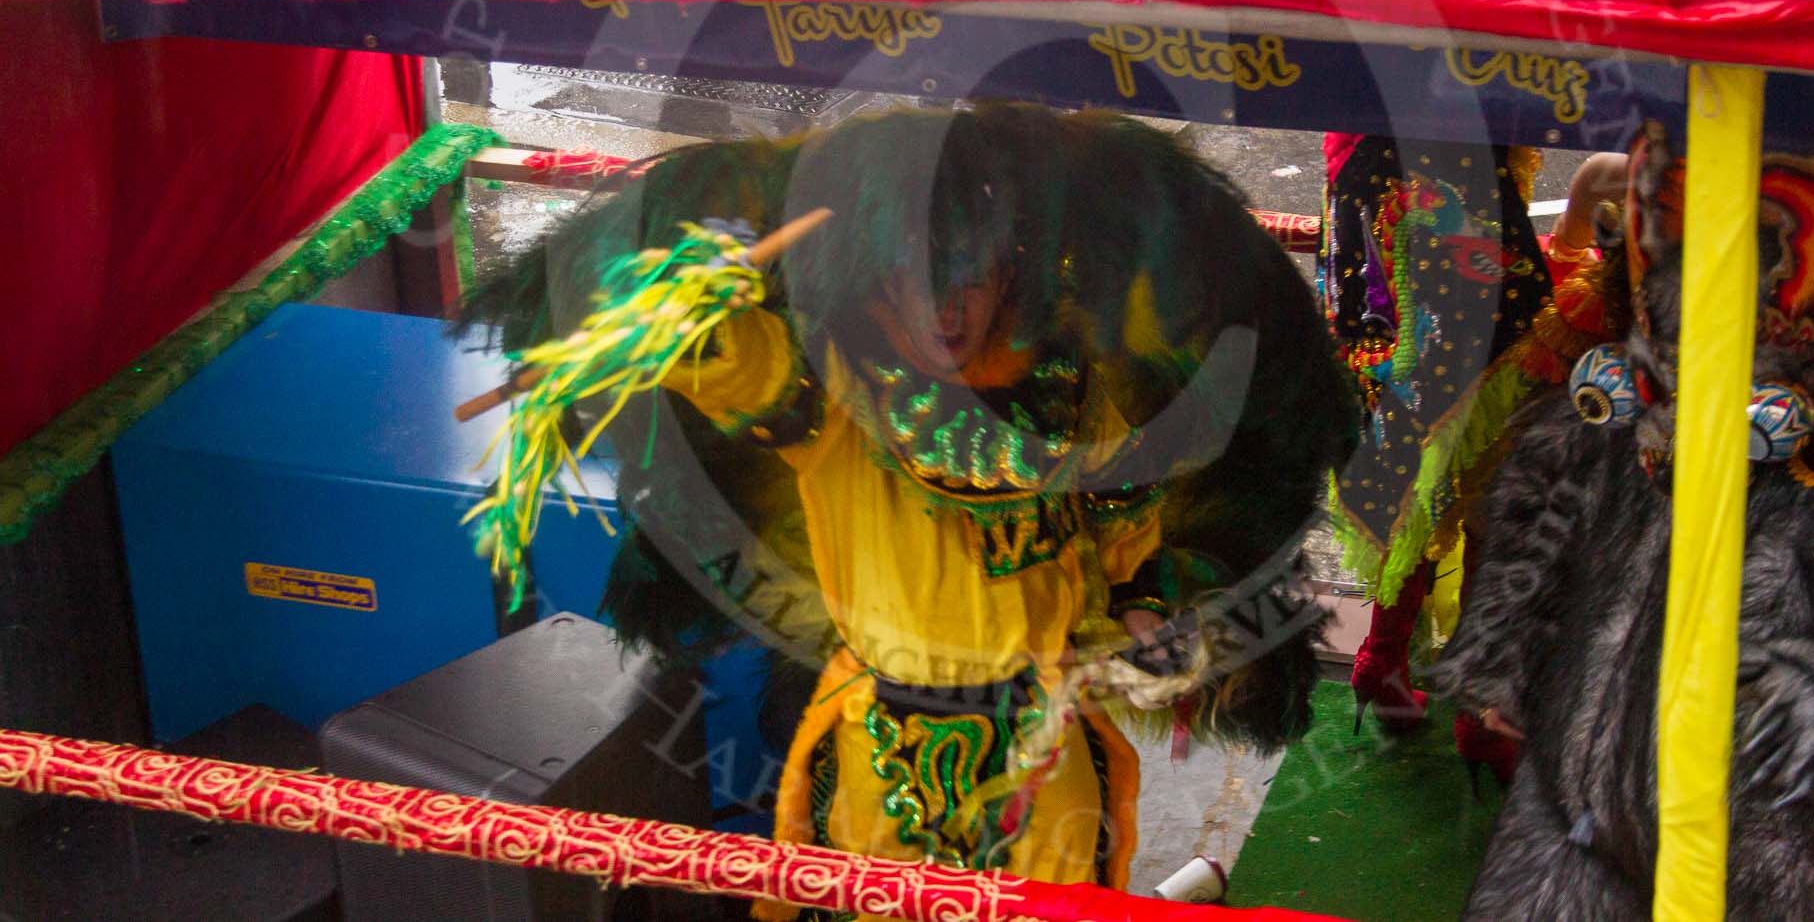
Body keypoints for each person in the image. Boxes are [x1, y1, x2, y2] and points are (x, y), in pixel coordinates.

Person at [462, 104, 1359, 919]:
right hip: (881, 748)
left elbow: (1136, 535)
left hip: (1039, 748)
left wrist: (1150, 604)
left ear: (1013, 272)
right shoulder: (830, 393)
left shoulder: (1075, 394)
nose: (947, 311)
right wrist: (679, 300)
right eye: (918, 284)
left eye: (970, 281)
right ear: (877, 285)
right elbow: (737, 366)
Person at [1435, 126, 1814, 919]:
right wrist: (1507, 651)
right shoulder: (1605, 436)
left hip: (1793, 870)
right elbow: (1537, 530)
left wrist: (1810, 704)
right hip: (1585, 825)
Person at [1325, 136, 1623, 787]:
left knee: (1417, 493)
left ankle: (1384, 663)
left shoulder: (1350, 111)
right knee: (1496, 507)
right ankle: (1481, 714)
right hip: (1480, 305)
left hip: (1380, 294)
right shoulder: (1471, 81)